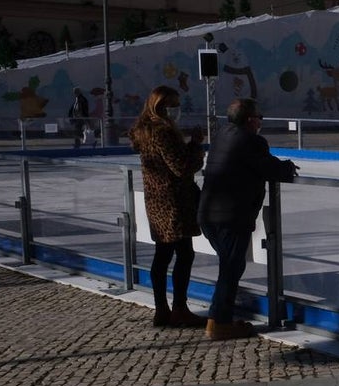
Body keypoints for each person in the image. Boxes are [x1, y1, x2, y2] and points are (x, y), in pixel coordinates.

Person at [199, 98, 298, 341]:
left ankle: (217, 319)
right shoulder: (251, 140)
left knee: (229, 267)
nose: (260, 122)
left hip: (208, 213)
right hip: (230, 216)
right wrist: (288, 167)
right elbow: (269, 168)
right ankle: (219, 323)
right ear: (250, 120)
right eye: (259, 118)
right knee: (231, 269)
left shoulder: (221, 135)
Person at [128, 86, 206, 328]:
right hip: (173, 203)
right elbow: (181, 167)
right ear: (160, 106)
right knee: (183, 254)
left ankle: (162, 309)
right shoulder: (162, 132)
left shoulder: (146, 131)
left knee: (163, 254)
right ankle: (178, 308)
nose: (176, 110)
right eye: (173, 105)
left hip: (157, 201)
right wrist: (195, 145)